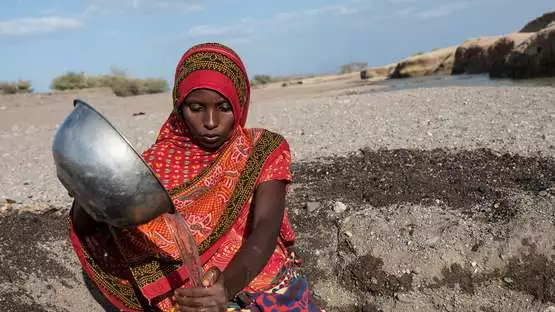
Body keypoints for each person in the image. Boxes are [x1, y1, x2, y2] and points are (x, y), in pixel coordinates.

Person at [68, 42, 322, 312]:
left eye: (223, 107)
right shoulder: (148, 168)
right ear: (179, 106)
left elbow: (266, 227)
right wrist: (88, 188)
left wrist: (226, 287)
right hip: (186, 301)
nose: (210, 121)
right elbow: (95, 227)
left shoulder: (261, 149)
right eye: (196, 107)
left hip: (258, 280)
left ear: (239, 103)